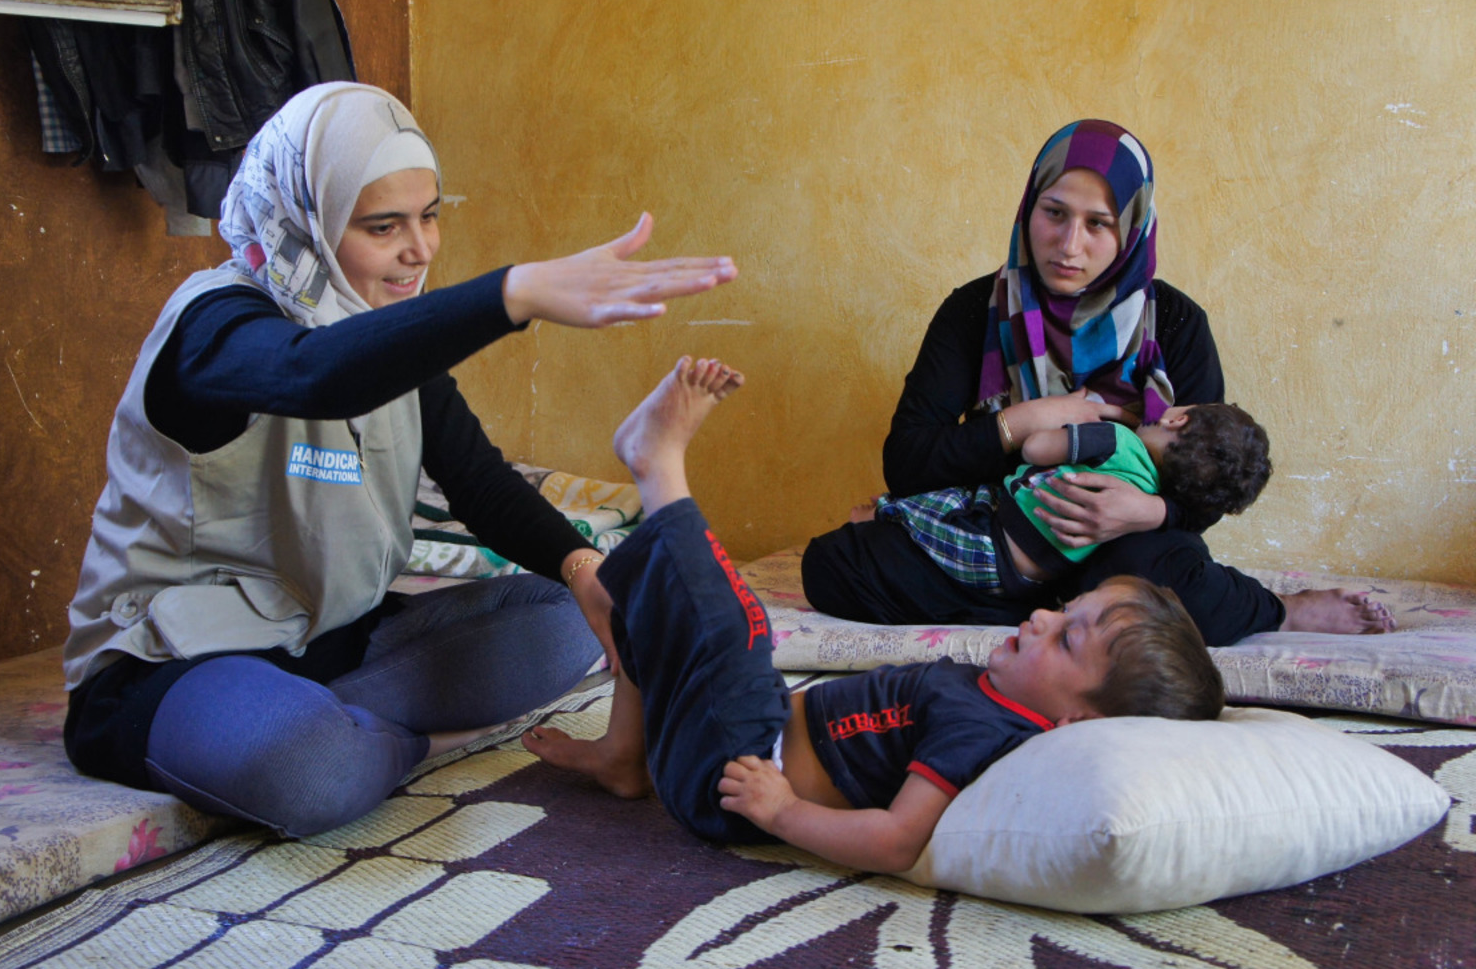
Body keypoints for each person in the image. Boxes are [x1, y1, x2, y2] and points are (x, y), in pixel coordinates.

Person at [62, 83, 737, 838]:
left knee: (565, 622)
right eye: (384, 226)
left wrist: (585, 571)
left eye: (430, 215)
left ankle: (332, 724)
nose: (420, 249)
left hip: (333, 642)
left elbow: (479, 480)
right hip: (175, 660)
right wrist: (513, 294)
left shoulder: (377, 327)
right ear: (308, 215)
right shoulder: (212, 326)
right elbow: (312, 372)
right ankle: (371, 741)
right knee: (309, 770)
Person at [523, 357, 1223, 872]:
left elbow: (896, 839)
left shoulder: (988, 727)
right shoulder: (996, 693)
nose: (1040, 618)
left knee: (738, 625)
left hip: (735, 776)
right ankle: (623, 754)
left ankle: (659, 466)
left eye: (1068, 636)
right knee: (661, 615)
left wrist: (781, 812)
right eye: (1064, 609)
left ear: (1079, 723)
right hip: (743, 735)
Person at [802, 119, 1394, 645]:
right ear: (1029, 206)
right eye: (1054, 212)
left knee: (1155, 573)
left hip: (1119, 548)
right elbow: (907, 461)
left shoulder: (1179, 325)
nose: (1068, 245)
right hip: (993, 536)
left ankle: (1278, 611)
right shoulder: (972, 312)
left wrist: (1145, 513)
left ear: (1133, 228)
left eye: (1098, 224)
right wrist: (1023, 422)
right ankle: (1079, 618)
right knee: (832, 568)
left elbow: (1208, 480)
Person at [857, 402, 1270, 606]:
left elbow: (1036, 448)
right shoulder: (1147, 488)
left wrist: (1075, 416)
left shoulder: (1116, 440)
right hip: (1027, 582)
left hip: (989, 537)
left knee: (938, 513)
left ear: (1177, 420)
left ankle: (882, 513)